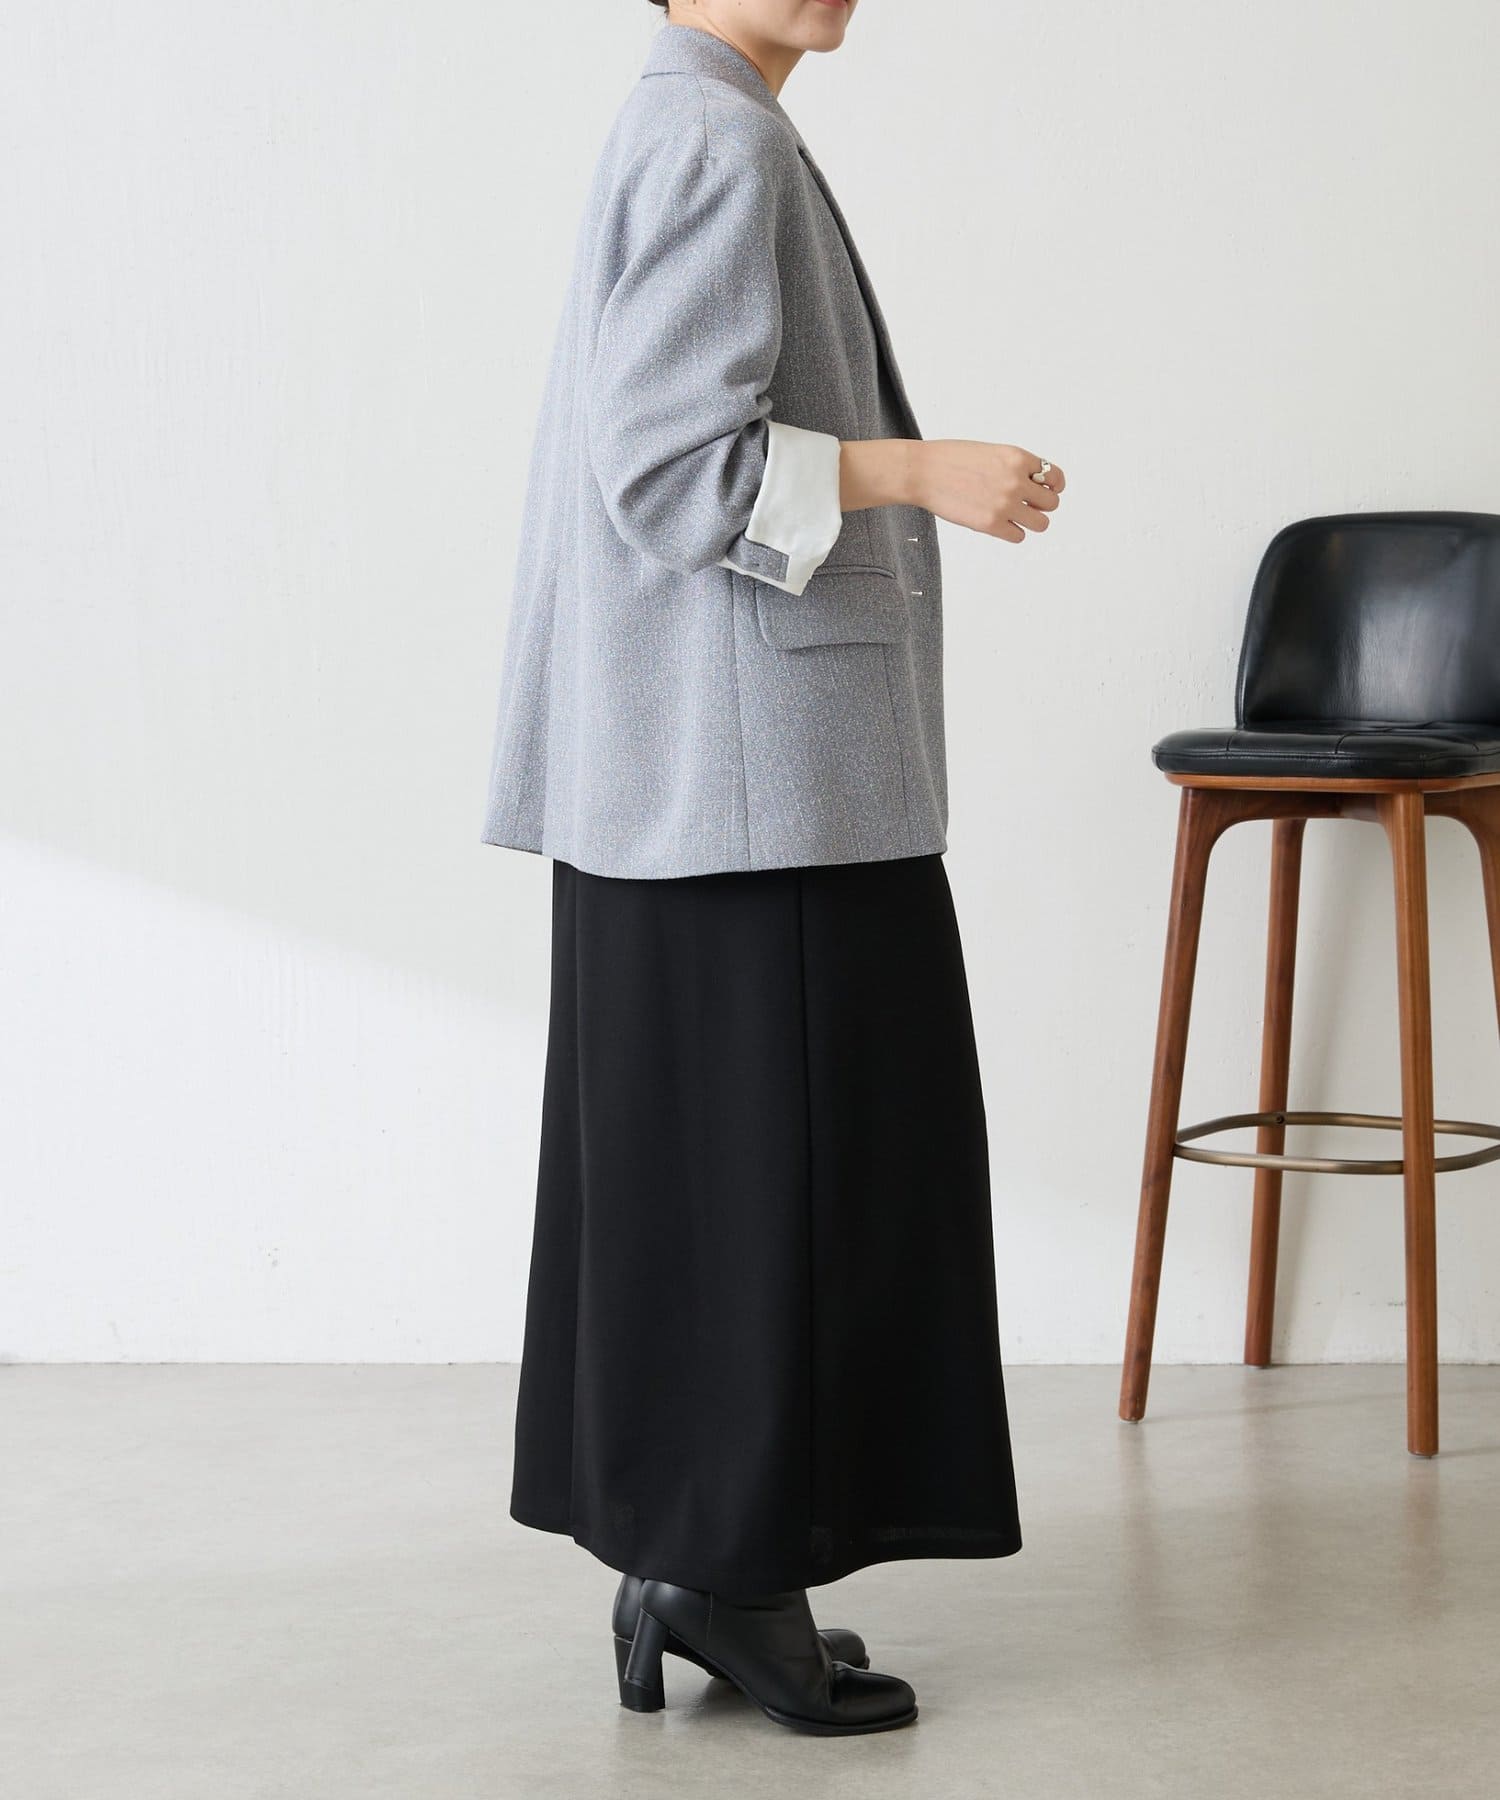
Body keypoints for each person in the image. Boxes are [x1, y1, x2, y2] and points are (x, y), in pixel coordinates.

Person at [480, 0, 1066, 1737]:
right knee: (795, 1188)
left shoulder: (699, 120)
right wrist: (918, 472)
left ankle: (706, 1566)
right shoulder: (716, 135)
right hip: (756, 787)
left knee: (721, 1195)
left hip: (700, 779)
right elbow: (670, 471)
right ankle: (728, 1579)